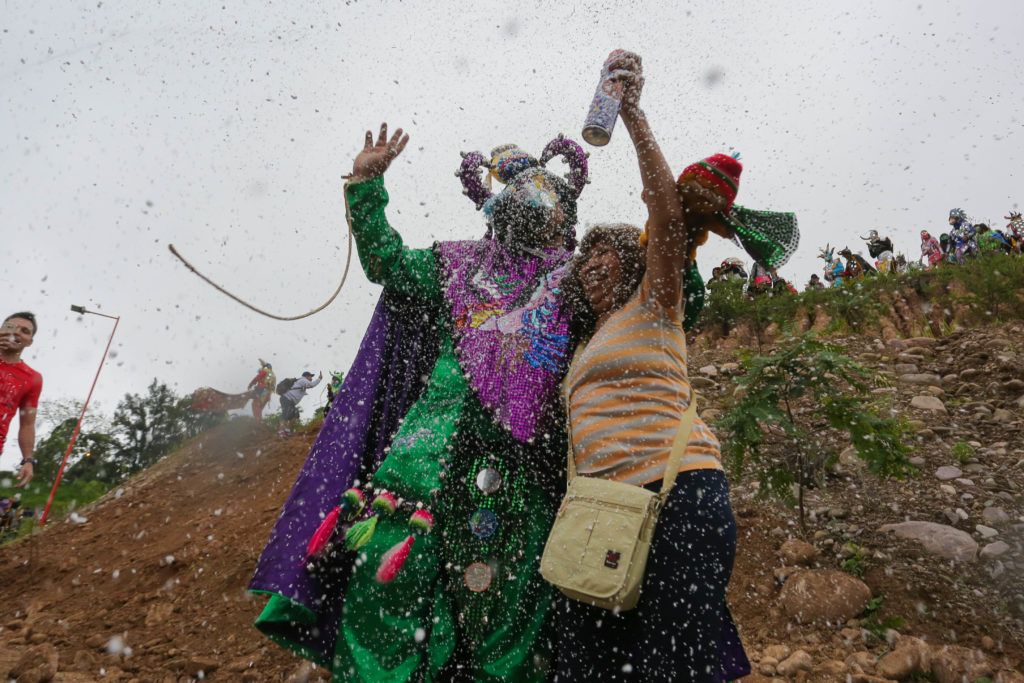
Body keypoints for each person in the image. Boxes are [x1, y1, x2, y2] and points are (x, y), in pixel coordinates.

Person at [251, 121, 590, 678]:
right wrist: (365, 186)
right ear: (496, 206)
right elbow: (383, 261)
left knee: (505, 644)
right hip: (418, 472)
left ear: (566, 213)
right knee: (382, 625)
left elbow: (657, 291)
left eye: (547, 192)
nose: (535, 200)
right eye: (521, 188)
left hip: (518, 482)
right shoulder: (452, 263)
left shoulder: (577, 278)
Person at [553, 54, 792, 683]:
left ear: (631, 266)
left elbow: (664, 210)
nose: (592, 265)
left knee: (672, 665)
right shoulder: (584, 347)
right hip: (601, 513)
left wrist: (631, 115)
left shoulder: (656, 305)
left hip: (674, 498)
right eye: (585, 260)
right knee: (590, 664)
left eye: (605, 253)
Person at [1, 312, 42, 489]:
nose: (17, 332)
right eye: (12, 327)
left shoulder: (32, 378)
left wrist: (28, 460)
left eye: (24, 331)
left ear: (30, 341)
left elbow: (27, 424)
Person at [247, 359, 275, 424]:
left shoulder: (265, 370)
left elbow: (257, 378)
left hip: (262, 390)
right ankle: (260, 422)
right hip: (268, 394)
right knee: (259, 408)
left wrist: (251, 384)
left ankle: (258, 423)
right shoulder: (273, 375)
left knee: (255, 404)